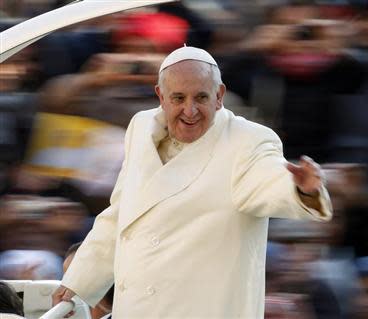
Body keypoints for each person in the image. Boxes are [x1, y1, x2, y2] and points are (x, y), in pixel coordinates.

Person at [52, 46, 332, 318]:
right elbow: (120, 216)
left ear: (219, 96)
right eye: (178, 98)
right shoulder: (140, 127)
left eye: (201, 97)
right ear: (160, 96)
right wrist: (78, 284)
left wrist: (301, 190)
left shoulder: (248, 140)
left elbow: (267, 181)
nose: (190, 110)